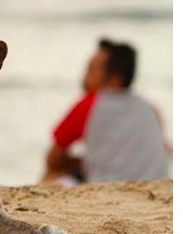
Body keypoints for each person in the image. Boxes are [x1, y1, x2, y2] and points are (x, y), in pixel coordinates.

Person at [41, 38, 169, 184]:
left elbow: (53, 158)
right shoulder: (149, 107)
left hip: (110, 185)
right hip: (156, 185)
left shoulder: (91, 104)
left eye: (91, 70)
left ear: (115, 79)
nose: (84, 77)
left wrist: (79, 164)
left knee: (51, 176)